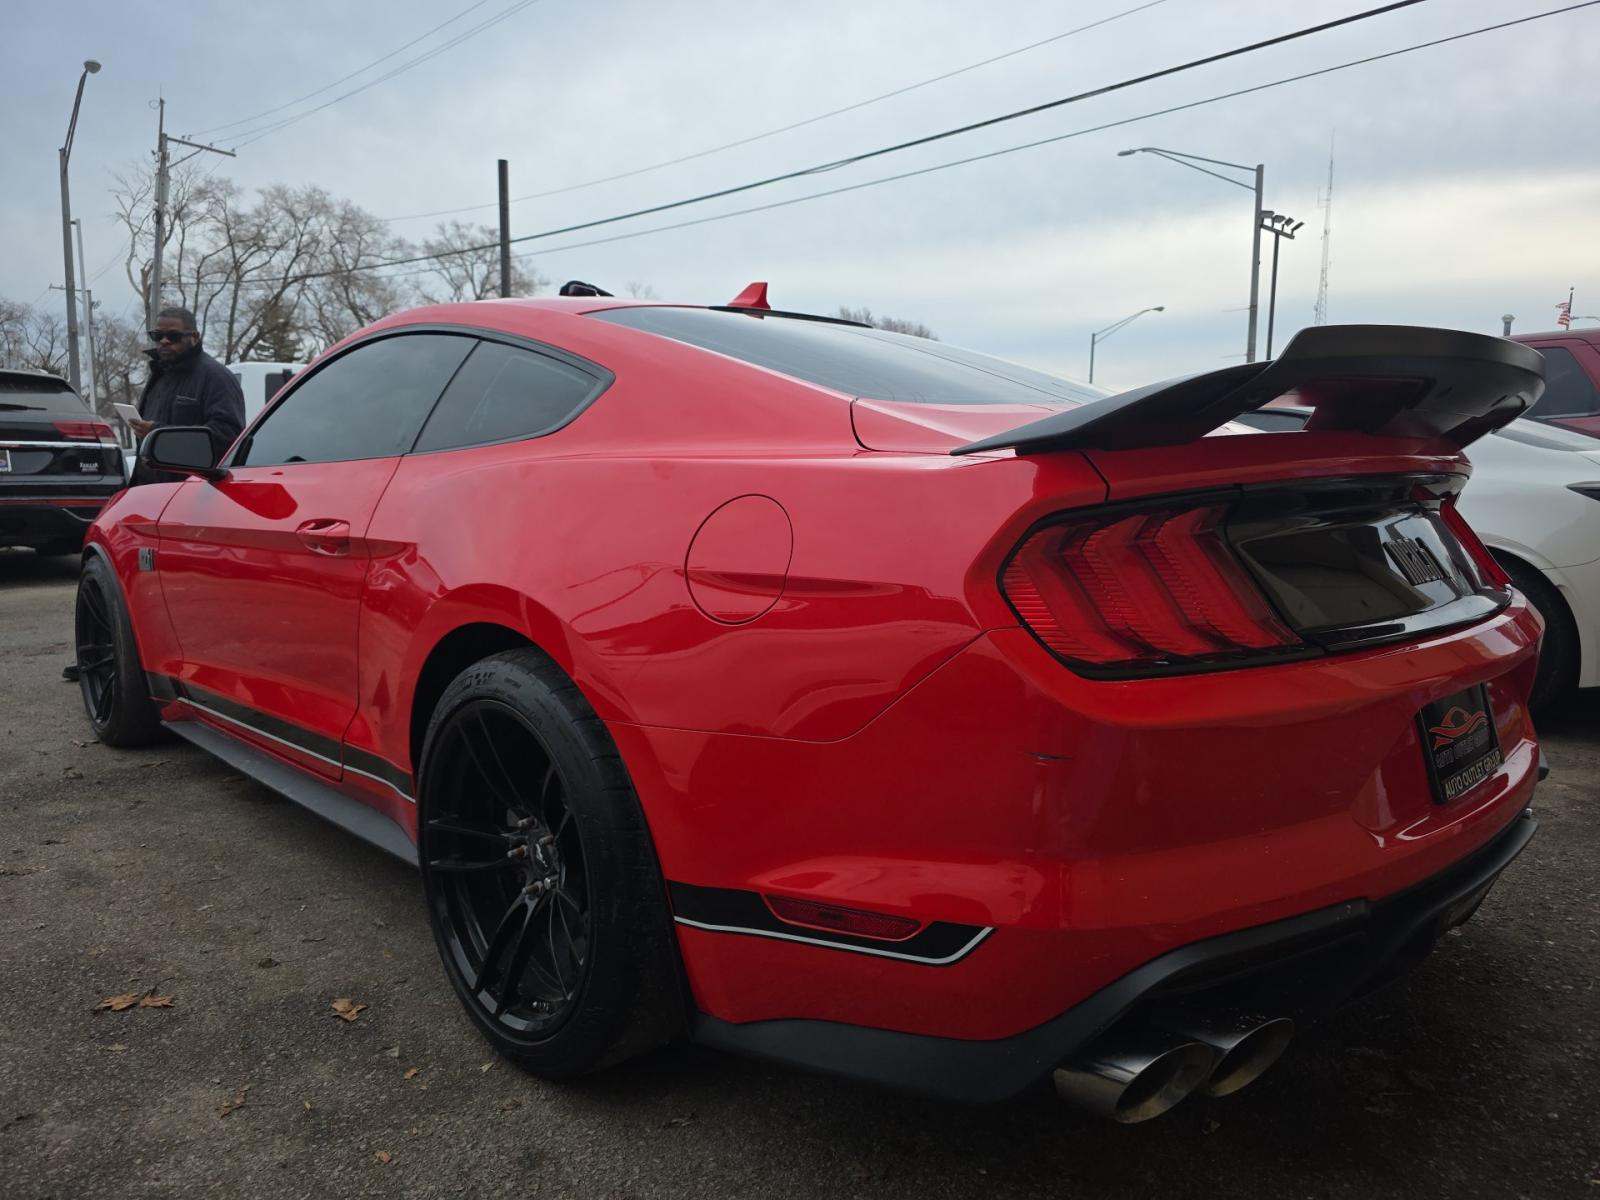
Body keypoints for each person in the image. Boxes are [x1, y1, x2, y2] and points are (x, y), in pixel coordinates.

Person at [129, 306, 245, 477]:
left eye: (173, 336)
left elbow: (227, 436)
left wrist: (158, 434)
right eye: (158, 336)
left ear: (195, 337)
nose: (164, 341)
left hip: (190, 490)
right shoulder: (160, 375)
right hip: (150, 488)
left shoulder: (216, 377)